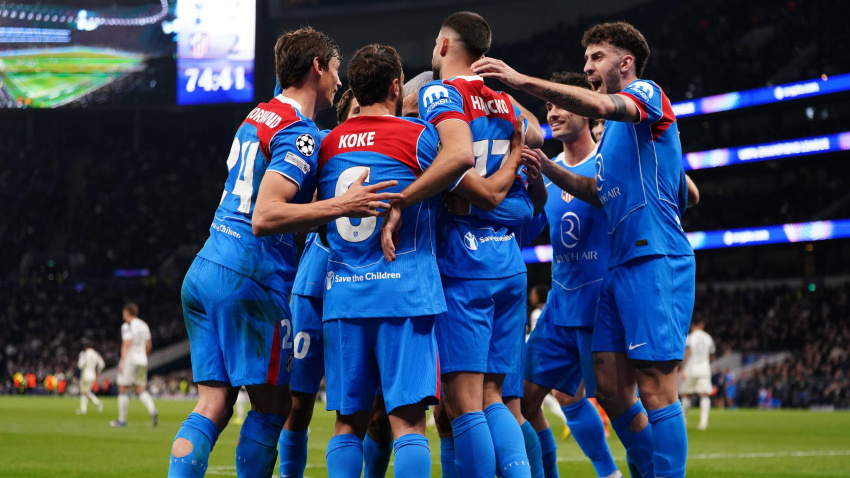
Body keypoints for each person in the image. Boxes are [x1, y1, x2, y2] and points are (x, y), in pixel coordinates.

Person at [168, 27, 401, 478]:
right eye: (335, 69)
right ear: (317, 68)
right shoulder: (301, 135)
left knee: (213, 402)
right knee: (274, 405)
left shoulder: (260, 114)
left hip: (205, 268)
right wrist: (343, 205)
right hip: (250, 277)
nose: (339, 82)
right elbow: (266, 215)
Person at [474, 21, 696, 478]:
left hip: (654, 256)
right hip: (616, 270)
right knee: (613, 391)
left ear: (625, 62)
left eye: (597, 57)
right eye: (587, 59)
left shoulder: (647, 92)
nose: (588, 66)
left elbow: (598, 104)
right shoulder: (615, 135)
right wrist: (546, 172)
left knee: (655, 385)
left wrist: (520, 82)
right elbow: (597, 191)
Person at [382, 11, 545, 478]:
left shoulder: (439, 92)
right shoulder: (504, 101)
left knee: (463, 401)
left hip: (464, 260)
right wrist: (512, 154)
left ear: (443, 45)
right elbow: (533, 133)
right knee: (497, 397)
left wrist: (408, 197)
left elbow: (455, 159)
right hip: (509, 263)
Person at [317, 43, 474, 478]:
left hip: (344, 296)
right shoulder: (418, 137)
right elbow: (462, 175)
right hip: (405, 292)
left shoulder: (329, 144)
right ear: (395, 86)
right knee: (408, 423)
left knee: (347, 422)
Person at [518, 72, 622, 478]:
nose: (555, 112)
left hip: (600, 304)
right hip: (559, 304)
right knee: (525, 400)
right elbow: (532, 228)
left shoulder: (609, 161)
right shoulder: (546, 169)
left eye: (563, 103)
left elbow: (602, 193)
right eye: (550, 107)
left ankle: (618, 472)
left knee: (618, 401)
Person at [111, 303, 158, 427]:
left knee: (123, 388)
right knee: (140, 388)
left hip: (130, 360)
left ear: (127, 313)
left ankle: (122, 420)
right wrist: (143, 356)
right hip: (142, 359)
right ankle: (152, 409)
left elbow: (127, 342)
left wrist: (122, 361)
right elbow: (149, 345)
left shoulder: (127, 325)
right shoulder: (144, 325)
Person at [680, 318, 715, 430]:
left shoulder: (690, 338)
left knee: (686, 394)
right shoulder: (708, 338)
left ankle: (684, 421)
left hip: (690, 369)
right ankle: (703, 423)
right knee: (704, 394)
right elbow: (712, 355)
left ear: (692, 325)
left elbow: (687, 353)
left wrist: (682, 368)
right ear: (702, 325)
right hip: (704, 369)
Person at [77, 343, 105, 415]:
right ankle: (85, 408)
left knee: (84, 392)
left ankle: (88, 408)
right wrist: (98, 372)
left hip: (85, 374)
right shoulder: (96, 354)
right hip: (92, 375)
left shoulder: (84, 354)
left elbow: (80, 365)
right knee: (86, 392)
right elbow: (102, 365)